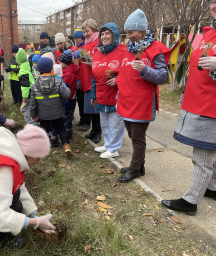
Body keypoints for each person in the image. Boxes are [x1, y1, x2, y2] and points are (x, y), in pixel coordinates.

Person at [161, 0, 216, 215]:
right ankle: (212, 187)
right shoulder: (208, 32)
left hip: (211, 108)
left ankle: (190, 201)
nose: (215, 5)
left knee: (203, 157)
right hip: (198, 103)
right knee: (210, 154)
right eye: (212, 1)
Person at [116, 9, 170, 182]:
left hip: (142, 102)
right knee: (132, 135)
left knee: (138, 137)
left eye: (131, 32)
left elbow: (162, 76)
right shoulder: (128, 48)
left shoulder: (155, 48)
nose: (128, 36)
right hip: (126, 100)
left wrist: (145, 70)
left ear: (141, 31)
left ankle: (134, 168)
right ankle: (139, 165)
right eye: (126, 32)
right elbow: (124, 72)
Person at [91, 23, 125, 159]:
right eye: (102, 34)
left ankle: (114, 149)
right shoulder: (98, 53)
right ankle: (108, 144)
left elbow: (129, 71)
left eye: (107, 33)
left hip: (116, 95)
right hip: (101, 94)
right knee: (104, 123)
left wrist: (118, 79)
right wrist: (93, 94)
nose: (104, 37)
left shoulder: (123, 50)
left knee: (115, 124)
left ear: (114, 35)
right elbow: (94, 76)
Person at [29, 57, 73, 156]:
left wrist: (33, 114)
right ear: (52, 69)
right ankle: (66, 146)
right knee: (61, 128)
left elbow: (32, 102)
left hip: (43, 114)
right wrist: (67, 89)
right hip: (57, 112)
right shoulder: (58, 81)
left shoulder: (35, 84)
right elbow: (66, 95)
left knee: (43, 129)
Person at [79, 19, 101, 143]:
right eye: (84, 32)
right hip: (86, 80)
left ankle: (98, 132)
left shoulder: (99, 42)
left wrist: (91, 61)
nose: (85, 34)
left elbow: (100, 60)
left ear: (94, 29)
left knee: (96, 110)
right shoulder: (86, 44)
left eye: (87, 31)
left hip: (95, 80)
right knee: (91, 109)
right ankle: (93, 131)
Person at [58, 49, 80, 139]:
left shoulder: (69, 74)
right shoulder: (68, 70)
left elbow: (64, 87)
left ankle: (67, 134)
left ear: (66, 63)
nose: (59, 64)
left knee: (67, 117)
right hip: (70, 97)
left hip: (69, 99)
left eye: (61, 62)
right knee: (67, 116)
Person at [72, 29, 90, 131]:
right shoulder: (76, 48)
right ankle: (82, 119)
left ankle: (87, 122)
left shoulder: (84, 48)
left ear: (82, 38)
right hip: (78, 80)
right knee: (80, 101)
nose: (76, 40)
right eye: (75, 39)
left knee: (85, 102)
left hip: (84, 80)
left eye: (77, 38)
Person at [15, 49, 34, 124]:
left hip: (30, 93)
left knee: (24, 109)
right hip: (36, 90)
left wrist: (25, 97)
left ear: (18, 61)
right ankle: (35, 119)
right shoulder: (30, 66)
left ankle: (30, 124)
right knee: (32, 107)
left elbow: (25, 85)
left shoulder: (23, 71)